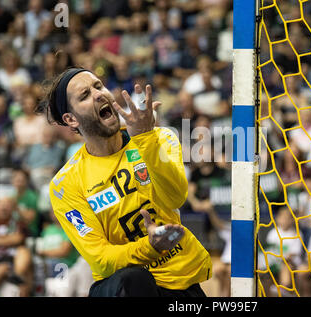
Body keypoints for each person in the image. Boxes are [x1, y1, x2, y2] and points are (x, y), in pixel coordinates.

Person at [37, 67, 212, 297]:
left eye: (98, 86)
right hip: (121, 285)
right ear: (70, 119)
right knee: (135, 279)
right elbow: (101, 260)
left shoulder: (160, 138)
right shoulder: (65, 184)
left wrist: (145, 139)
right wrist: (149, 247)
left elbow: (175, 197)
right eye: (84, 95)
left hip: (179, 279)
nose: (98, 94)